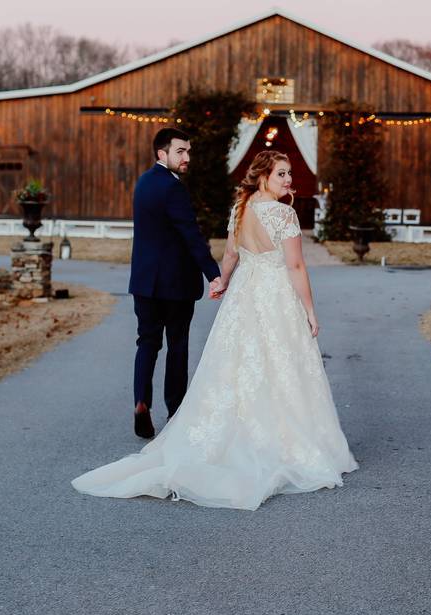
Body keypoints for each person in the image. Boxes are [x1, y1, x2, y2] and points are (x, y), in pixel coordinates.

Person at [72, 150, 358, 511]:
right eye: (281, 174)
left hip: (243, 295)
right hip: (274, 296)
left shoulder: (240, 209)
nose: (288, 180)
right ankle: (280, 440)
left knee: (235, 365)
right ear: (262, 177)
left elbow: (231, 256)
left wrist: (222, 282)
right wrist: (311, 311)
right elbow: (296, 265)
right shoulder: (284, 214)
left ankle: (234, 433)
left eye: (289, 174)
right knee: (280, 364)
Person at [126, 128, 224, 439]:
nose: (187, 158)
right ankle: (175, 412)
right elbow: (190, 234)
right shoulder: (173, 188)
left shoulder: (143, 183)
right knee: (177, 346)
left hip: (143, 281)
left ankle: (141, 402)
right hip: (175, 283)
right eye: (180, 151)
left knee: (147, 343)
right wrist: (213, 272)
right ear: (162, 153)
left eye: (188, 152)